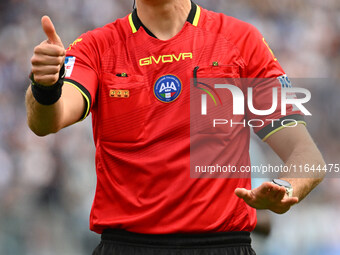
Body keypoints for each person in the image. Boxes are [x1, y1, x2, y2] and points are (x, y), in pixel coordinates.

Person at [26, 0, 325, 254]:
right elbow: (49, 120)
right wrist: (44, 87)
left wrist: (286, 189)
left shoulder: (241, 41)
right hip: (126, 245)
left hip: (223, 245)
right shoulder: (96, 48)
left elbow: (306, 155)